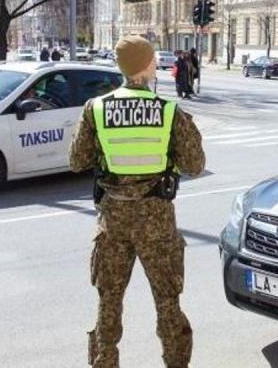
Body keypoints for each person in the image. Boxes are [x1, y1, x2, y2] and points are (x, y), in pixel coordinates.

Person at [69, 36, 205, 368]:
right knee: (167, 302)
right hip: (156, 222)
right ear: (144, 65)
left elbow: (77, 160)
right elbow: (195, 165)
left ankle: (104, 362)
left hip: (113, 221)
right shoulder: (170, 112)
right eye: (153, 58)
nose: (156, 62)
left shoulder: (95, 109)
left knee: (109, 302)